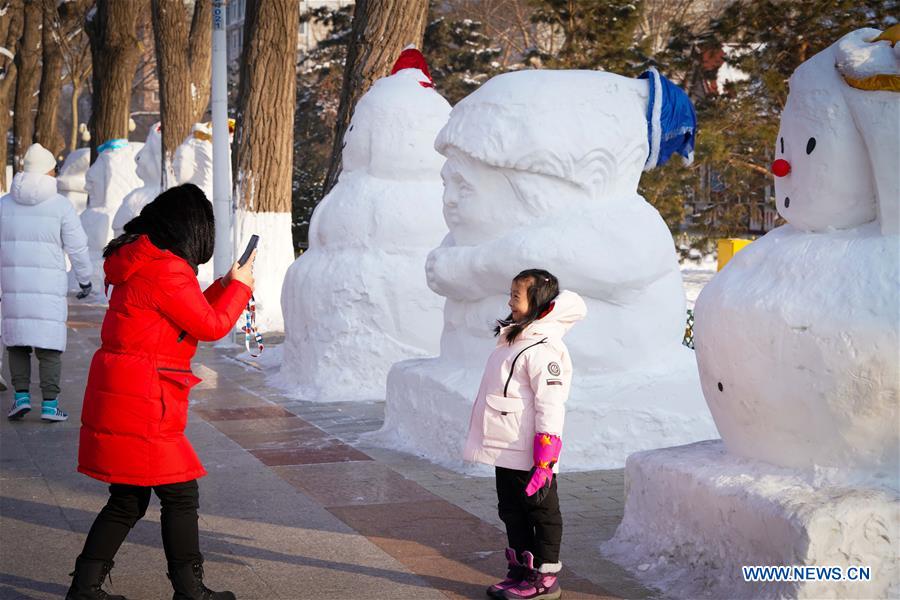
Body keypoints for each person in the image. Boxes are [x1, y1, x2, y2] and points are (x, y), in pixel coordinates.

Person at [66, 184, 255, 600]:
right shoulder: (167, 270)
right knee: (180, 492)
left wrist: (227, 283)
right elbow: (210, 326)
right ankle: (189, 590)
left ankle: (85, 588)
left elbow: (188, 311)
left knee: (129, 498)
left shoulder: (145, 260)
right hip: (143, 399)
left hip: (126, 392)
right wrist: (241, 288)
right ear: (191, 227)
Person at [463, 269, 586, 600]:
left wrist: (545, 459)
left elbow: (551, 404)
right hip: (506, 447)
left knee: (541, 512)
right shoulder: (513, 340)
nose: (510, 302)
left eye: (516, 296)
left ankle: (545, 577)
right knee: (511, 511)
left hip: (531, 455)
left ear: (537, 301)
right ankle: (521, 569)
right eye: (511, 295)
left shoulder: (543, 349)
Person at [0, 143, 93, 422]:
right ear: (48, 171)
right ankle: (50, 405)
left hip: (13, 287)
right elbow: (77, 247)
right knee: (49, 346)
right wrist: (85, 280)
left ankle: (21, 399)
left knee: (17, 343)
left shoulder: (4, 205)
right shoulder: (60, 206)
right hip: (48, 289)